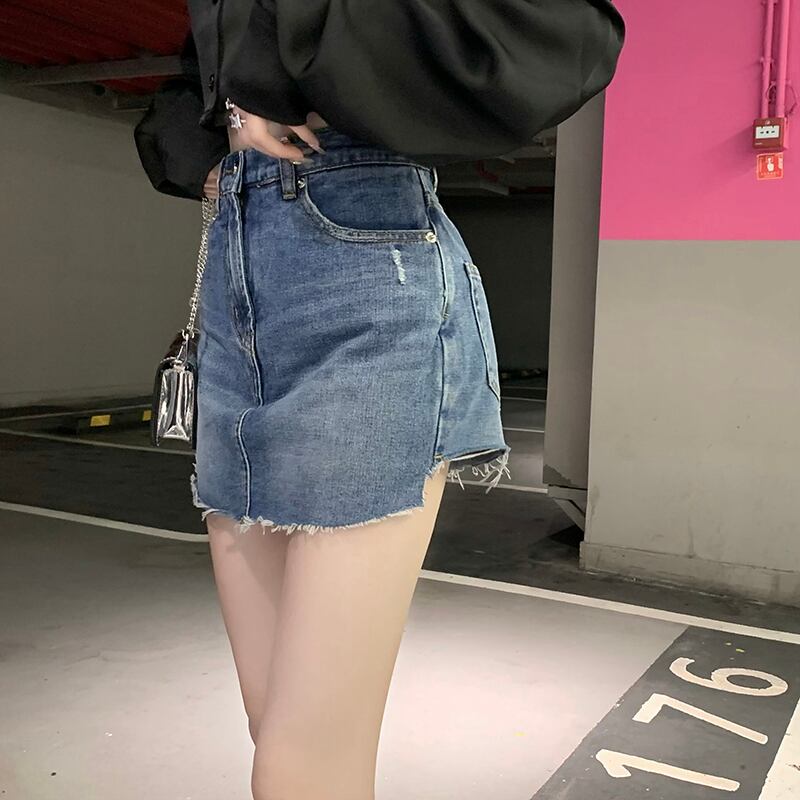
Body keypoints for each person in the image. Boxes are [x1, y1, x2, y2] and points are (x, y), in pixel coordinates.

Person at [134, 3, 624, 799]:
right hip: (236, 261)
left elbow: (567, 40)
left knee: (300, 758)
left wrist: (291, 75)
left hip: (364, 258)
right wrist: (227, 123)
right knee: (276, 725)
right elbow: (201, 70)